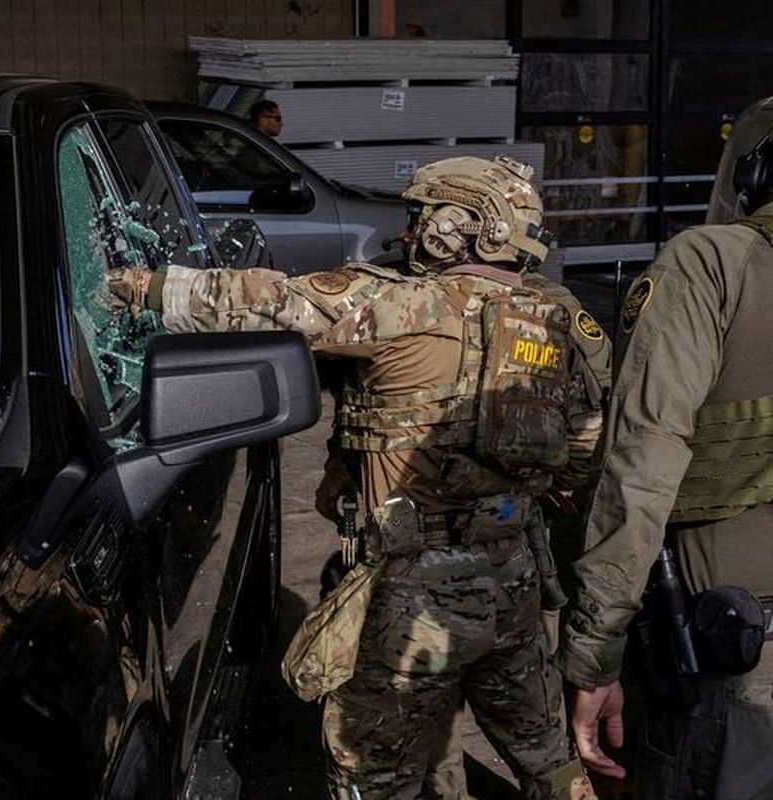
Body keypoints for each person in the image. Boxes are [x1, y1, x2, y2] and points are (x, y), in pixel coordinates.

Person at [108, 155, 599, 799]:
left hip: (410, 594)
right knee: (546, 759)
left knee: (376, 776)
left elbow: (261, 303)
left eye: (423, 215)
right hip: (515, 582)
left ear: (457, 226)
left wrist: (131, 286)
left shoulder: (395, 303)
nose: (413, 229)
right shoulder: (559, 319)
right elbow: (583, 447)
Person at [560, 101, 773, 799]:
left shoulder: (712, 264)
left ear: (755, 171)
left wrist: (594, 654)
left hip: (738, 658)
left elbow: (641, 469)